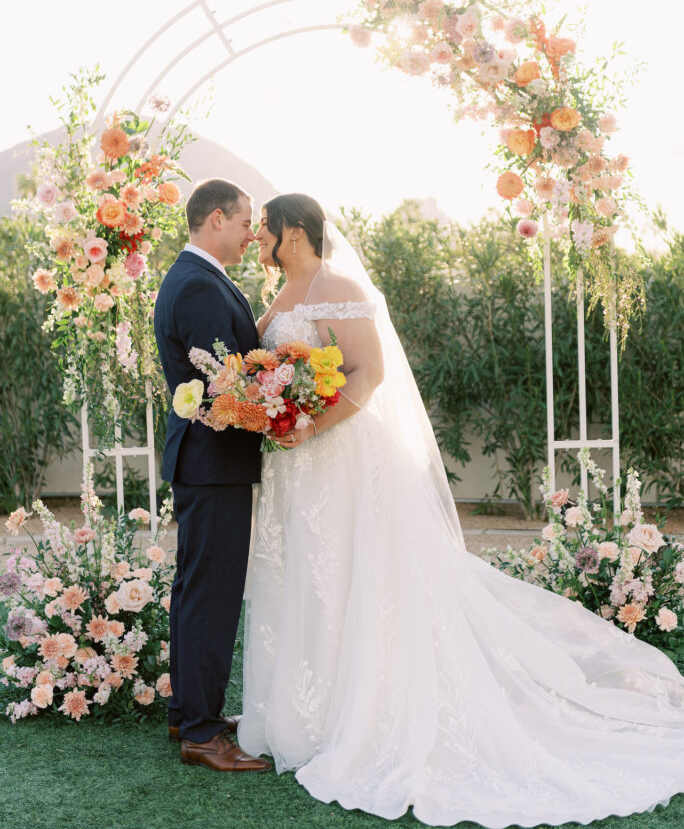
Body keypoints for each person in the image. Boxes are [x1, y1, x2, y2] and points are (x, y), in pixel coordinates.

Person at [238, 192, 684, 827]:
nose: (260, 237)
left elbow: (368, 373)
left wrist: (312, 425)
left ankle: (364, 712)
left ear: (295, 231)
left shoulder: (336, 285)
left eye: (267, 229)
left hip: (337, 456)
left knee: (355, 574)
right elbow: (276, 366)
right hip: (296, 464)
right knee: (311, 575)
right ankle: (305, 714)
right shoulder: (282, 292)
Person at [153, 178, 269, 772]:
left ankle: (189, 714)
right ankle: (202, 733)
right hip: (212, 462)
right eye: (247, 222)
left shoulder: (195, 276)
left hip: (205, 463)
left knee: (196, 590)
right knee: (211, 596)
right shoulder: (198, 285)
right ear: (217, 218)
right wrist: (281, 400)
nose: (253, 233)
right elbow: (226, 383)